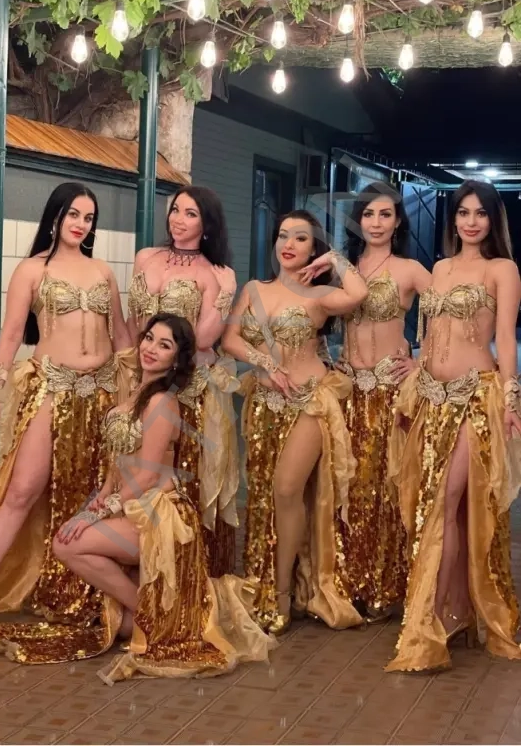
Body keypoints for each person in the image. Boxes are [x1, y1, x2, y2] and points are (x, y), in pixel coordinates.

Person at [9, 312, 277, 677]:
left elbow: (149, 474)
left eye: (164, 345)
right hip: (130, 506)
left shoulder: (163, 402)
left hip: (159, 515)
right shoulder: (135, 392)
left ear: (176, 359)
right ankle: (149, 613)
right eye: (149, 338)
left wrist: (97, 513)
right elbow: (117, 461)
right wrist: (99, 500)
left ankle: (151, 615)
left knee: (67, 545)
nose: (151, 348)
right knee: (115, 620)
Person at [0, 183, 134, 651]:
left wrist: (136, 396)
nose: (81, 224)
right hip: (52, 390)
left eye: (89, 218)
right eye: (73, 214)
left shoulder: (102, 270)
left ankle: (85, 589)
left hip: (102, 395)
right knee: (22, 490)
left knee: (93, 493)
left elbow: (121, 336)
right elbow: (11, 334)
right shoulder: (32, 269)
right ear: (55, 216)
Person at [386, 180, 521, 672]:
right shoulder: (440, 268)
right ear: (454, 219)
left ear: (493, 219)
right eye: (463, 212)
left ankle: (432, 620)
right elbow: (429, 333)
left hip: (474, 397)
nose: (471, 221)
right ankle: (456, 610)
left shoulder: (501, 269)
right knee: (447, 509)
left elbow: (505, 339)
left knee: (443, 501)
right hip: (430, 397)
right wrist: (415, 367)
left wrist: (511, 399)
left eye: (480, 213)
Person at [222, 210, 368, 635]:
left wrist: (334, 260)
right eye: (283, 235)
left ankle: (283, 592)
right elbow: (230, 338)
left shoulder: (320, 295)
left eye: (301, 238)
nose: (289, 244)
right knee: (268, 496)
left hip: (311, 401)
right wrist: (264, 362)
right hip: (266, 405)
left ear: (312, 248)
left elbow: (358, 293)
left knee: (287, 488)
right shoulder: (254, 289)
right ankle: (273, 582)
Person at [302, 182, 431, 623]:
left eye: (385, 214)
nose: (376, 223)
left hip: (388, 392)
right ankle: (346, 581)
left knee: (383, 488)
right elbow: (310, 315)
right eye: (369, 214)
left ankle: (383, 584)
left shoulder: (409, 269)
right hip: (346, 391)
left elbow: (452, 310)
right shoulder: (343, 267)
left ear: (398, 221)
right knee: (345, 486)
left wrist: (420, 359)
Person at [127, 186, 239, 578]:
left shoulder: (216, 273)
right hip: (139, 375)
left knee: (178, 475)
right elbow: (133, 322)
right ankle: (131, 569)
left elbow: (204, 338)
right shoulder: (145, 257)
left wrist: (226, 294)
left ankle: (183, 578)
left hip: (187, 388)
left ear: (207, 224)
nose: (178, 219)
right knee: (132, 464)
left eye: (191, 214)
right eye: (176, 210)